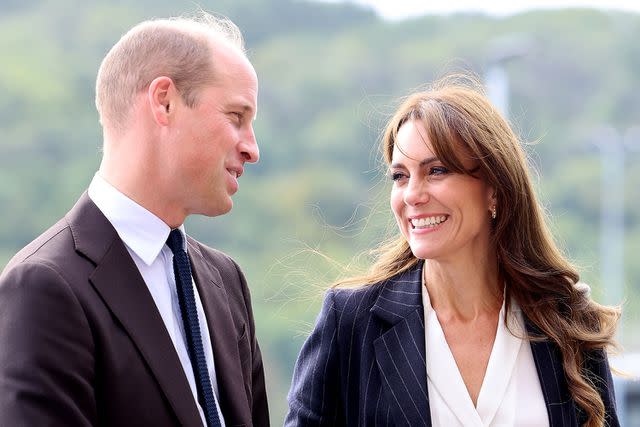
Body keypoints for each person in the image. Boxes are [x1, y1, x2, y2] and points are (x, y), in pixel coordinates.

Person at [285, 76, 620, 427]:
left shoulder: (567, 322)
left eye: (436, 171)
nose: (412, 194)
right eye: (400, 176)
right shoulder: (352, 322)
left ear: (495, 188)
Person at [0, 13, 269, 427]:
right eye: (236, 117)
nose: (252, 148)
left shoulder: (225, 280)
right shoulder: (43, 285)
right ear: (164, 101)